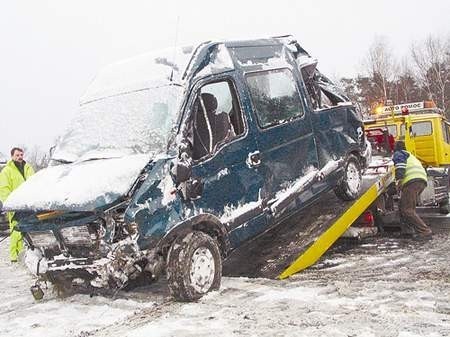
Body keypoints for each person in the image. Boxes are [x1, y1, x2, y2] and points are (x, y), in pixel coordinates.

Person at [0, 147, 35, 262]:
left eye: (21, 155)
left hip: (29, 204)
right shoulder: (6, 171)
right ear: (12, 156)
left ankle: (28, 254)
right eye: (17, 155)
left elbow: (35, 184)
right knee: (16, 230)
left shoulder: (28, 168)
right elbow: (4, 189)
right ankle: (14, 256)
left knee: (30, 229)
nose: (20, 157)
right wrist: (9, 204)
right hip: (15, 205)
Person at [392, 141, 432, 238]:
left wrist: (399, 181)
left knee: (407, 209)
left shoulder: (399, 154)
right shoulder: (410, 155)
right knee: (402, 206)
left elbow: (400, 167)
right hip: (420, 181)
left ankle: (425, 231)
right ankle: (407, 231)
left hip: (412, 182)